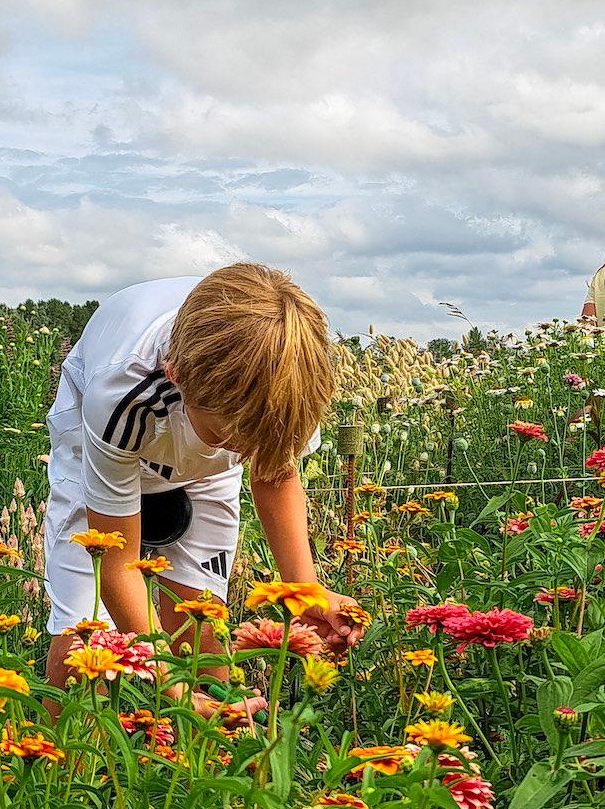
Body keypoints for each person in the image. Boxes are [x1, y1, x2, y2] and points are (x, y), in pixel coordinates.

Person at [41, 264, 363, 697]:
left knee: (202, 621)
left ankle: (207, 750)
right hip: (98, 442)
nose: (246, 453)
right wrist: (169, 684)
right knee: (86, 634)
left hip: (205, 441)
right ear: (177, 377)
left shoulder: (289, 386)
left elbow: (275, 472)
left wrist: (303, 590)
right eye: (232, 440)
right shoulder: (123, 395)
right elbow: (116, 562)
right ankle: (70, 761)